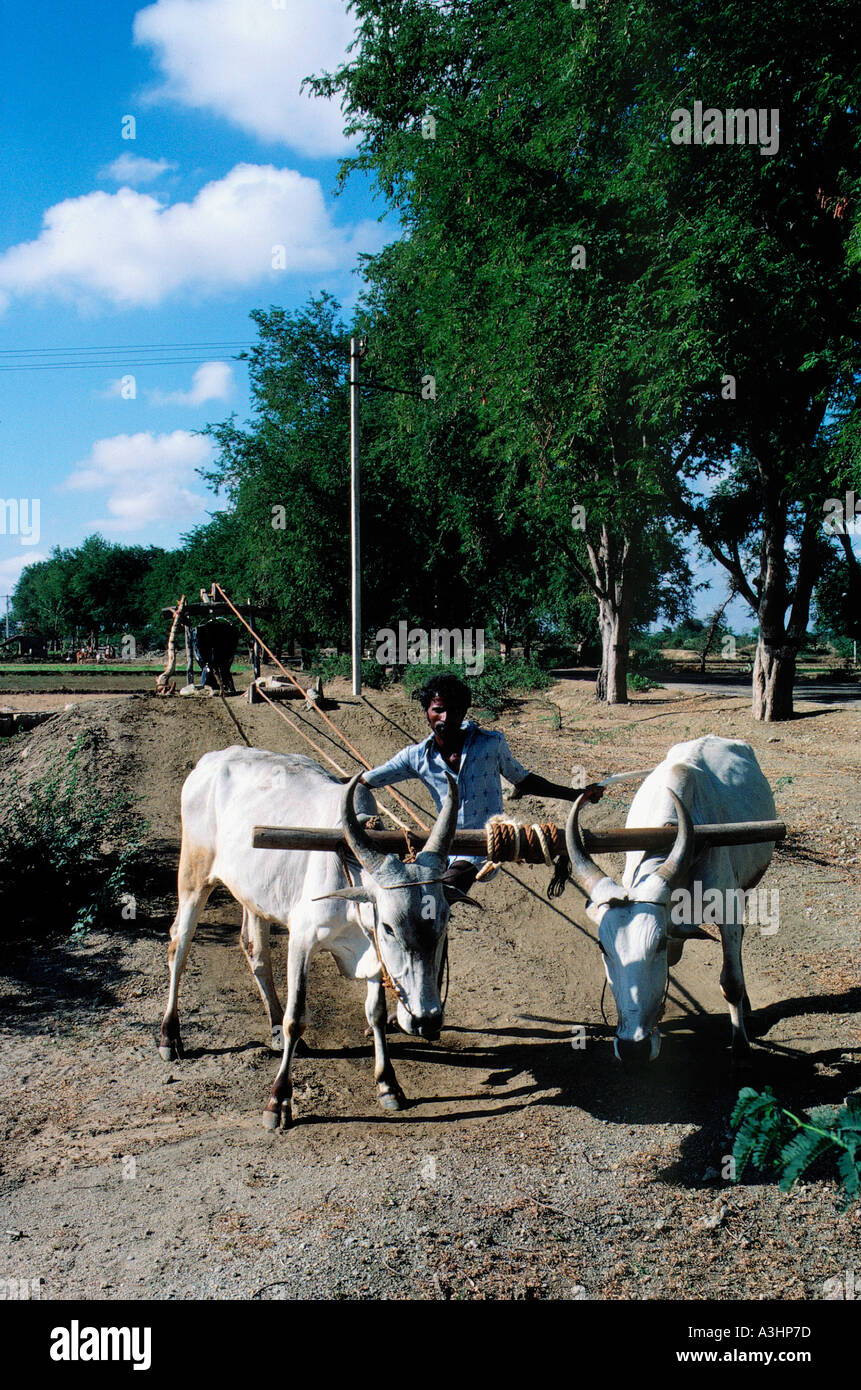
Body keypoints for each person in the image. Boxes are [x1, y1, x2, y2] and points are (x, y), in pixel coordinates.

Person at [361, 672, 604, 894]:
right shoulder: (415, 757)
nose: (444, 718)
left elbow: (524, 780)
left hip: (486, 847)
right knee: (410, 891)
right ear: (427, 710)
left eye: (453, 711)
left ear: (464, 711)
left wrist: (574, 794)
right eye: (438, 710)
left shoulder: (490, 744)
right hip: (444, 847)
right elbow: (367, 780)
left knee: (443, 890)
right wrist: (331, 784)